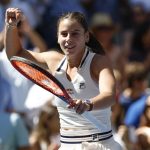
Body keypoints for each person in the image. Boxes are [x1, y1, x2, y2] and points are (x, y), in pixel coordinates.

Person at [4, 8, 122, 150]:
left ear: (86, 37)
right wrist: (10, 26)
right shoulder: (53, 60)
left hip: (100, 145)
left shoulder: (98, 62)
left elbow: (109, 95)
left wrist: (88, 104)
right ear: (58, 37)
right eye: (64, 34)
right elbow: (14, 54)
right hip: (67, 145)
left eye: (75, 34)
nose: (68, 39)